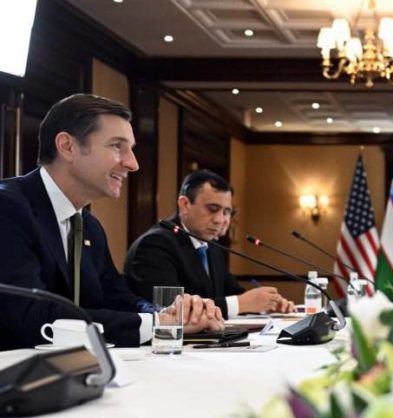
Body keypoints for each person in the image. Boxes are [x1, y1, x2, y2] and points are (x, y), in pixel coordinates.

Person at [0, 94, 223, 350]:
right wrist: (156, 323)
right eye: (117, 146)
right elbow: (31, 316)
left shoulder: (89, 226)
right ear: (67, 146)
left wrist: (172, 314)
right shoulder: (7, 208)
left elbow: (118, 298)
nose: (133, 163)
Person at [124, 169, 295, 317]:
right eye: (213, 209)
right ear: (185, 204)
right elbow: (171, 309)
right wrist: (241, 303)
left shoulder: (211, 246)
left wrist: (267, 304)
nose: (220, 220)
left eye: (227, 212)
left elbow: (233, 293)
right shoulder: (155, 244)